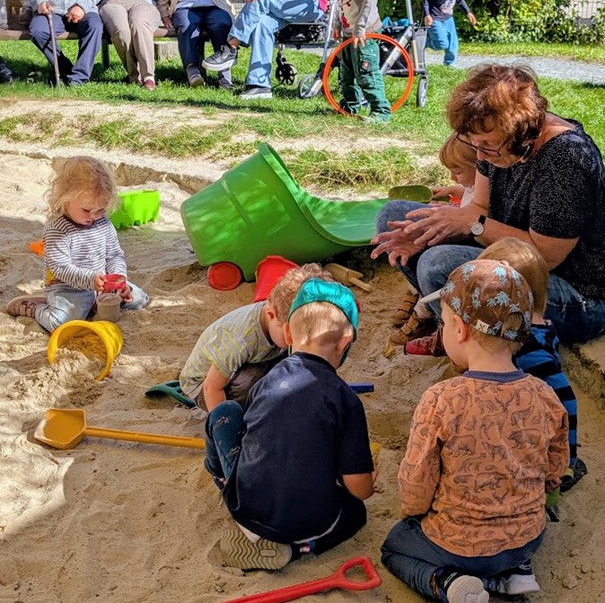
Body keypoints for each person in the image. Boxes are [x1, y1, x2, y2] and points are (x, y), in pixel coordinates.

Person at [371, 63, 605, 354]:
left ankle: (458, 328)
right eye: (473, 143)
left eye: (486, 146)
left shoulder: (565, 160)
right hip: (511, 251)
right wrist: (441, 224)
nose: (479, 156)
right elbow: (479, 206)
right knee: (395, 217)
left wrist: (469, 224)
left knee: (438, 263)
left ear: (520, 133)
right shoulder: (497, 139)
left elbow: (542, 258)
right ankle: (447, 315)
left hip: (573, 294)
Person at [381, 259, 569, 603]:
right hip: (527, 537)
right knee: (507, 547)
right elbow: (555, 468)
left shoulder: (441, 398)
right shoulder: (544, 394)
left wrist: (413, 514)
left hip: (459, 546)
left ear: (461, 330)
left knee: (394, 547)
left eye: (444, 322)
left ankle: (447, 582)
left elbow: (416, 483)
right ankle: (513, 573)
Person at [203, 278, 375, 571]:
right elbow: (358, 488)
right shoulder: (346, 401)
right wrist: (368, 480)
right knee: (356, 513)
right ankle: (301, 549)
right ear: (345, 343)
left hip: (245, 505)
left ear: (287, 333)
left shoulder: (264, 382)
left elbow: (252, 435)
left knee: (226, 412)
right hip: (307, 521)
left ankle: (221, 478)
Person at [478, 238, 586, 502]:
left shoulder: (528, 350)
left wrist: (564, 461)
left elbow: (566, 402)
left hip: (535, 436)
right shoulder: (537, 327)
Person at [6, 156, 149, 331]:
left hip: (101, 285)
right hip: (68, 288)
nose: (94, 216)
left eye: (101, 209)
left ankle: (93, 306)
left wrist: (120, 279)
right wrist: (90, 280)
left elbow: (114, 254)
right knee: (61, 324)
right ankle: (36, 307)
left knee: (140, 299)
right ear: (65, 198)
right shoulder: (57, 230)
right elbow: (61, 269)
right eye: (87, 210)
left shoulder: (103, 222)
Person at [179, 262, 332, 411]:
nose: (296, 341)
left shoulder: (282, 323)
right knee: (251, 380)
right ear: (271, 314)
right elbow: (211, 388)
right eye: (291, 335)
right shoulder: (241, 339)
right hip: (204, 386)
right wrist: (224, 423)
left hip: (253, 360)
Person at [388, 132, 477, 351]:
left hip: (472, 244)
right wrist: (455, 192)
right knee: (399, 220)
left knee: (433, 259)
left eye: (457, 171)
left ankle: (429, 315)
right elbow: (470, 192)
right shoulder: (474, 187)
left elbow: (472, 223)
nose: (451, 177)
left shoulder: (489, 190)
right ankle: (416, 289)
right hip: (466, 231)